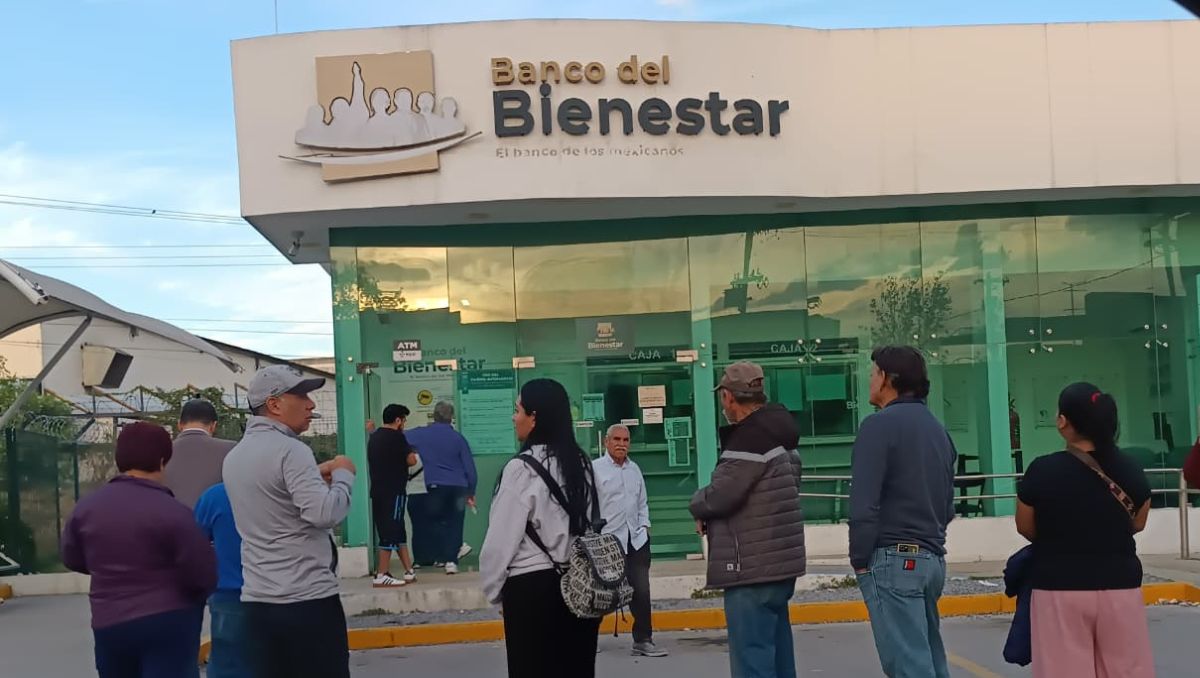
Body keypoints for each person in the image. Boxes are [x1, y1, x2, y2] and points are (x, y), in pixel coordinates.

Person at [222, 365, 357, 678]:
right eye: (301, 395)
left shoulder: (235, 457)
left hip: (257, 601)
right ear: (274, 404)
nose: (310, 404)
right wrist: (343, 475)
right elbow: (324, 514)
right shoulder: (291, 450)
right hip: (307, 601)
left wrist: (316, 476)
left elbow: (276, 503)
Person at [1016, 382, 1154, 678]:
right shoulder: (1132, 468)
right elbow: (1139, 522)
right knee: (1126, 670)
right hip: (1121, 586)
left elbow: (1025, 526)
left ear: (1063, 422)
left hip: (1058, 587)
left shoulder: (1043, 470)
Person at [60, 421, 217, 678]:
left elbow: (72, 558)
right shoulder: (174, 512)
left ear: (119, 458)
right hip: (169, 621)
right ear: (163, 459)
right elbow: (202, 573)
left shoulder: (86, 509)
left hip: (110, 621)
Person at [689, 361, 806, 678]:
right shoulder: (781, 434)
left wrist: (698, 506)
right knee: (780, 660)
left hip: (750, 568)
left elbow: (720, 495)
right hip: (780, 565)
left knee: (752, 663)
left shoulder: (748, 440)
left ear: (728, 397)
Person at [480, 378, 604, 678]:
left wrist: (496, 593)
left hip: (531, 591)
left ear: (534, 417)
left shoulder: (520, 469)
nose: (514, 417)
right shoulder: (582, 464)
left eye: (518, 409)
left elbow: (499, 542)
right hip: (580, 586)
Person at [849, 346, 956, 678]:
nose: (869, 381)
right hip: (931, 558)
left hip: (894, 558)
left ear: (887, 379)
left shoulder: (877, 427)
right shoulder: (938, 430)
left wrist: (861, 561)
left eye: (873, 373)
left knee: (907, 665)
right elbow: (948, 505)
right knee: (930, 661)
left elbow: (864, 503)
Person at [593, 424, 666, 658]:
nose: (621, 444)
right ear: (606, 442)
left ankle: (643, 639)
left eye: (625, 440)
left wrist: (644, 527)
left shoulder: (635, 469)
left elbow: (642, 502)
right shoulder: (595, 469)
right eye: (616, 439)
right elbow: (588, 504)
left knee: (641, 592)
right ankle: (586, 639)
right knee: (598, 593)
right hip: (607, 542)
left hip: (635, 540)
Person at [405, 401, 478, 574]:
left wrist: (372, 431)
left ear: (434, 415)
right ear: (451, 418)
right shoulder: (459, 438)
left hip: (435, 486)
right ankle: (451, 562)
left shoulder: (422, 434)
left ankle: (437, 556)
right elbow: (470, 469)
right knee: (455, 522)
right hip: (458, 487)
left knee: (436, 521)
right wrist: (471, 491)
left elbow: (397, 436)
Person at [194, 483, 250, 678]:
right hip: (282, 594)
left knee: (228, 665)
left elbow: (195, 544)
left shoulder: (216, 495)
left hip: (229, 594)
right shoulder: (284, 491)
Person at [368, 403, 418, 586]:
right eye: (403, 420)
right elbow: (411, 461)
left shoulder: (374, 437)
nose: (404, 423)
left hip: (378, 491)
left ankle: (408, 570)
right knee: (390, 531)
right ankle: (382, 574)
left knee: (398, 530)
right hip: (394, 491)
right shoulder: (397, 438)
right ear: (398, 420)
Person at [163, 398, 237, 510]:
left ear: (179, 424)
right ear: (213, 426)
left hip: (171, 522)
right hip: (213, 523)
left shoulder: (162, 451)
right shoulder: (230, 449)